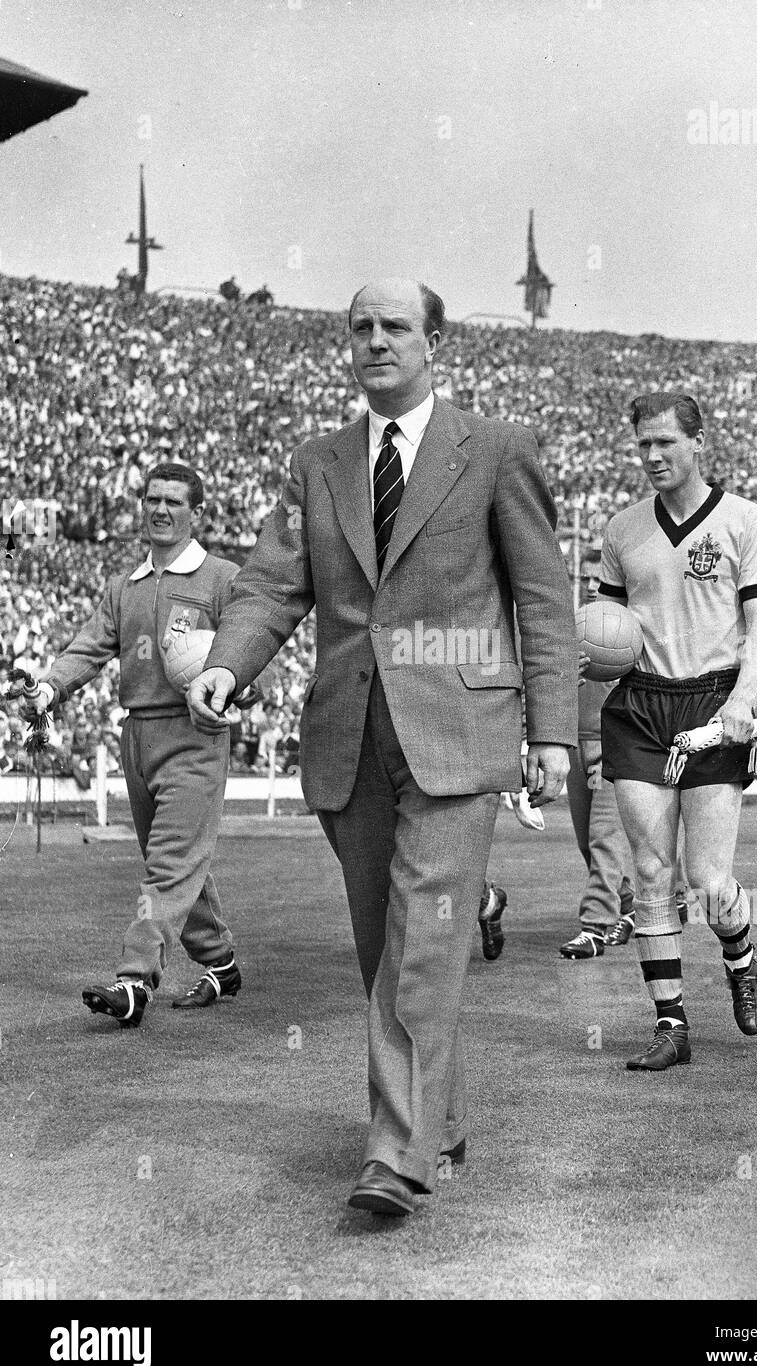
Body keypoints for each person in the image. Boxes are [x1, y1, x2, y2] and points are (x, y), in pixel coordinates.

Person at [188, 277, 577, 1216]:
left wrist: (552, 732)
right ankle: (432, 1115)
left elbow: (542, 596)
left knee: (424, 943)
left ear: (434, 341)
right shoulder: (317, 461)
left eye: (394, 326)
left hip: (458, 731)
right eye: (358, 327)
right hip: (348, 738)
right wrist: (228, 666)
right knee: (385, 946)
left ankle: (396, 1157)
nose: (374, 341)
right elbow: (275, 585)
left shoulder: (495, 450)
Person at [37, 464, 260, 1027]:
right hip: (137, 737)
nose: (161, 510)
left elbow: (255, 654)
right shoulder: (124, 586)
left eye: (174, 502)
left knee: (167, 865)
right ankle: (221, 962)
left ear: (198, 513)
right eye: (152, 499)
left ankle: (133, 981)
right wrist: (48, 686)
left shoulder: (222, 579)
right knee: (179, 864)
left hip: (196, 737)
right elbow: (87, 649)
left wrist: (243, 683)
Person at [598, 392, 757, 1071]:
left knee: (706, 878)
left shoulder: (742, 520)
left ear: (698, 442)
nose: (650, 456)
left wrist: (741, 699)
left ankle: (741, 958)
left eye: (664, 443)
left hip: (712, 703)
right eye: (642, 443)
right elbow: (604, 631)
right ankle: (670, 1025)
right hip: (640, 705)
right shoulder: (620, 530)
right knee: (648, 869)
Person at [561, 549, 636, 959]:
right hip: (574, 743)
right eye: (586, 577)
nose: (592, 585)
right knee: (587, 844)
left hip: (614, 743)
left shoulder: (630, 628)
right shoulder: (566, 626)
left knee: (604, 837)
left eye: (599, 578)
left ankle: (594, 927)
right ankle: (633, 904)